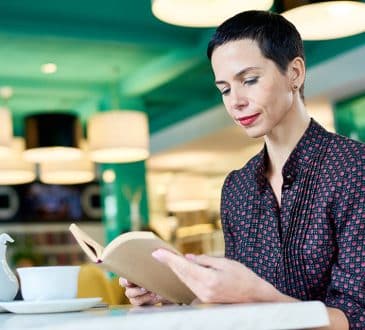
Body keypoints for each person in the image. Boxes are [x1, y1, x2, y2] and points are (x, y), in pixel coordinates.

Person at [120, 10, 365, 329]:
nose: (235, 101)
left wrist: (257, 294)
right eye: (224, 89)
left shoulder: (353, 167)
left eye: (249, 80)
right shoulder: (237, 187)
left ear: (295, 72)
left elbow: (356, 315)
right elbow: (234, 308)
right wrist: (175, 296)